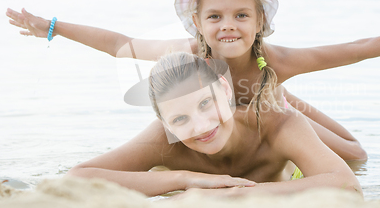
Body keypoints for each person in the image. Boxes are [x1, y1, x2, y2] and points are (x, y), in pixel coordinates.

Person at [6, 0, 380, 162]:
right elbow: (119, 43)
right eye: (215, 16)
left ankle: (295, 106)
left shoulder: (278, 58)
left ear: (259, 22)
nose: (227, 25)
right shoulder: (187, 55)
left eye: (240, 15)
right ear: (197, 21)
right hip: (235, 126)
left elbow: (357, 48)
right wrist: (50, 27)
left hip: (275, 112)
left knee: (356, 155)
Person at [67, 52, 362, 198]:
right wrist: (183, 179)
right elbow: (77, 176)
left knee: (356, 154)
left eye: (205, 103)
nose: (200, 125)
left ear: (224, 87)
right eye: (180, 119)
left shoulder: (278, 123)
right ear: (164, 123)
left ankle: (281, 92)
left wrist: (237, 194)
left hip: (288, 162)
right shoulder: (162, 138)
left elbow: (347, 183)